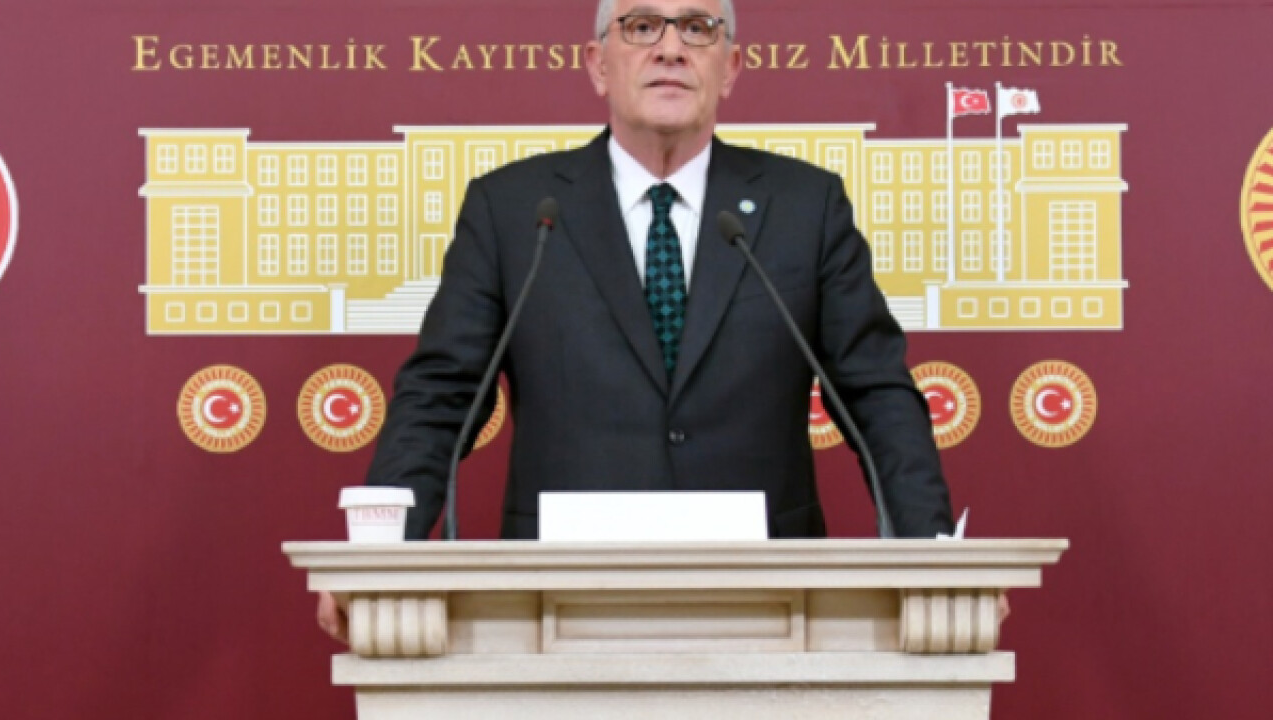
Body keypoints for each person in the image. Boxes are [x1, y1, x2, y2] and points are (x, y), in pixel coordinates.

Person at [317, 0, 964, 644]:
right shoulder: (514, 210)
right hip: (556, 603)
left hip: (769, 602)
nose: (671, 48)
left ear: (731, 67)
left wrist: (934, 559)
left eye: (698, 28)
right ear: (598, 65)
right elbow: (440, 398)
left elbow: (877, 397)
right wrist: (381, 558)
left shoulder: (805, 207)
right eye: (642, 26)